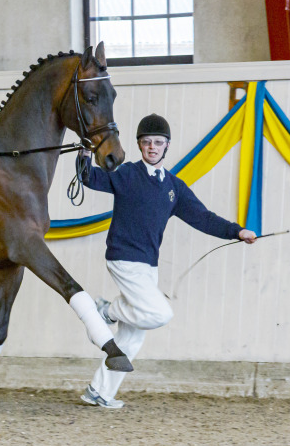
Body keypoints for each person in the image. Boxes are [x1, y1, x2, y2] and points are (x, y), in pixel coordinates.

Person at [79, 113, 257, 409]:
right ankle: (108, 310)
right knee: (160, 313)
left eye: (158, 142)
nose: (152, 147)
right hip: (124, 258)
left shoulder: (174, 188)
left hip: (149, 266)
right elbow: (89, 178)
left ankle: (99, 391)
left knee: (134, 334)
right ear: (139, 145)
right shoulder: (125, 175)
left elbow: (203, 217)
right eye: (146, 142)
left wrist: (236, 231)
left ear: (167, 146)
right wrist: (85, 154)